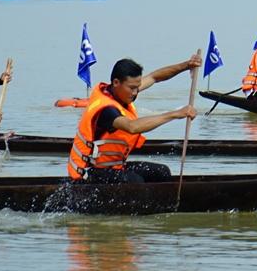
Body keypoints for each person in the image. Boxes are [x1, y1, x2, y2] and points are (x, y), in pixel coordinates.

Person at [66, 51, 201, 184]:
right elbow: (132, 127)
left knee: (162, 172)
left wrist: (187, 65)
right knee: (135, 181)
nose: (136, 92)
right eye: (132, 88)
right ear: (116, 82)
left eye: (137, 87)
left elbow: (155, 77)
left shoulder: (122, 91)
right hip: (88, 173)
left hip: (114, 168)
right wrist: (175, 114)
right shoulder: (106, 110)